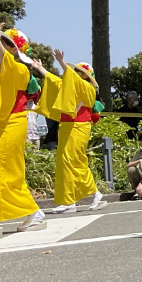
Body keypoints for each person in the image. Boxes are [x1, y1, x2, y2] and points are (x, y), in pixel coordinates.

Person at [0, 20, 45, 231]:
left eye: (7, 42)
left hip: (12, 123)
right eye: (2, 41)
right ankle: (31, 213)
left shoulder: (20, 70)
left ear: (16, 49)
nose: (2, 45)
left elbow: (3, 60)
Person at [43, 49, 108, 213]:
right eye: (76, 71)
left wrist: (61, 63)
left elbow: (71, 79)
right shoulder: (73, 85)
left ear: (86, 76)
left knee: (75, 161)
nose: (76, 73)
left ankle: (95, 194)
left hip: (78, 127)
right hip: (67, 127)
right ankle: (68, 201)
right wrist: (40, 69)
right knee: (65, 162)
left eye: (80, 72)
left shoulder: (88, 88)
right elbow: (57, 82)